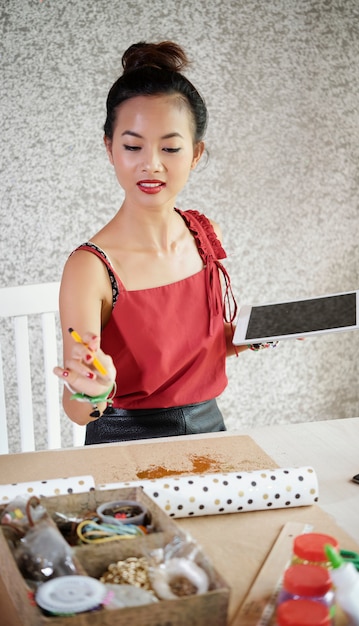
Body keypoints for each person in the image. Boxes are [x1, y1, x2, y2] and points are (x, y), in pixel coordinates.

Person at [53, 40, 253, 445]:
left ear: (195, 154)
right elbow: (78, 412)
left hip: (210, 434)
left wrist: (250, 335)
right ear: (109, 148)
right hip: (122, 441)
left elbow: (191, 354)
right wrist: (91, 388)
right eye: (132, 146)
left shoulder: (204, 233)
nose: (152, 164)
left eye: (171, 147)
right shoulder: (89, 268)